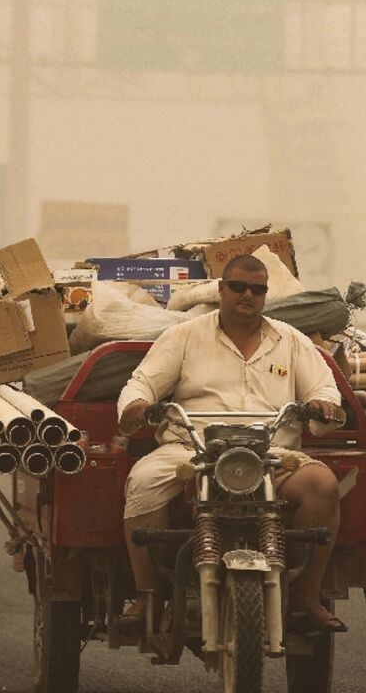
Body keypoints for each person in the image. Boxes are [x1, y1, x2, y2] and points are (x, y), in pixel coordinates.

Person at [116, 253, 348, 633]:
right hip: (191, 447)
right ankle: (147, 595)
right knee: (143, 480)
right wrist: (139, 406)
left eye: (257, 290)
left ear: (265, 296)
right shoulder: (184, 336)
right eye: (238, 287)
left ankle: (306, 596)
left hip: (272, 452)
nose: (247, 296)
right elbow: (140, 383)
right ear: (221, 290)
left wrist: (324, 403)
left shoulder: (291, 341)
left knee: (322, 485)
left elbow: (324, 387)